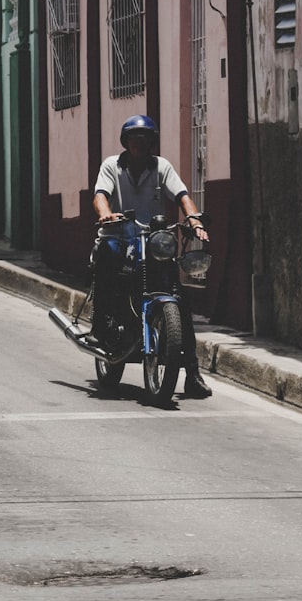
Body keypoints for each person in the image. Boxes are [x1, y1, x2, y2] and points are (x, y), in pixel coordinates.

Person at [92, 114, 212, 398]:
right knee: (108, 265)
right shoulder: (112, 165)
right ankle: (103, 323)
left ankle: (192, 373)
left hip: (153, 241)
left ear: (151, 143)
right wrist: (106, 215)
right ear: (126, 142)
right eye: (135, 138)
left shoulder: (161, 167)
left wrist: (194, 220)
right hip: (118, 237)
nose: (140, 143)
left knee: (180, 300)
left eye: (145, 139)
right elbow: (100, 195)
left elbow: (182, 195)